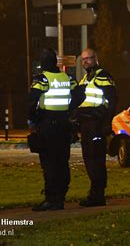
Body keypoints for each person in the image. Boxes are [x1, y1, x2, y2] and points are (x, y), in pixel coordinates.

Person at [27, 48, 85, 211]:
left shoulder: (42, 79)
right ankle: (60, 197)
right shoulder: (68, 78)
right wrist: (68, 108)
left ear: (43, 63)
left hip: (47, 124)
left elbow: (32, 102)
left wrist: (34, 119)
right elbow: (81, 96)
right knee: (62, 161)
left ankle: (51, 199)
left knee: (49, 163)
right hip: (64, 124)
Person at [76, 48, 117, 207]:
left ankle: (98, 194)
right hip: (86, 124)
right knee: (89, 159)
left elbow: (112, 100)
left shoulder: (102, 76)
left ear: (96, 59)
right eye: (83, 59)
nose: (86, 61)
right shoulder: (86, 79)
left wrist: (107, 123)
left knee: (95, 159)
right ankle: (95, 192)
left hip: (96, 124)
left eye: (89, 58)